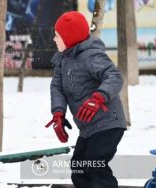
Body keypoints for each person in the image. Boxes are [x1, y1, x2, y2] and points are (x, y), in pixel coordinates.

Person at [45, 11, 127, 188]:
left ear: (70, 37)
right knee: (79, 167)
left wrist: (98, 98)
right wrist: (58, 113)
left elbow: (114, 76)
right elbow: (57, 87)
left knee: (95, 165)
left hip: (108, 123)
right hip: (88, 128)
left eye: (57, 35)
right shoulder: (62, 60)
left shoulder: (91, 56)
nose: (54, 39)